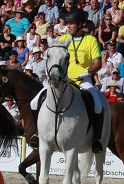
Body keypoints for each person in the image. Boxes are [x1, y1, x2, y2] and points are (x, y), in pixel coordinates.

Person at [29, 9, 106, 153]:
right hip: (62, 79)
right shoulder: (63, 39)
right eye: (68, 23)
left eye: (72, 24)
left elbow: (98, 63)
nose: (68, 26)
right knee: (34, 102)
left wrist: (88, 72)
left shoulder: (90, 40)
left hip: (82, 79)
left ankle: (96, 139)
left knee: (97, 105)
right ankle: (38, 134)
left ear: (81, 24)